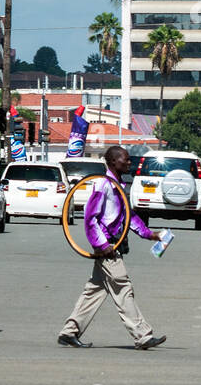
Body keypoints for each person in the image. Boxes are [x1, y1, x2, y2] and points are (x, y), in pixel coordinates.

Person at [57, 144, 166, 351]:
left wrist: (149, 234)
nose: (129, 162)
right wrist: (101, 244)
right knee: (123, 287)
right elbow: (90, 218)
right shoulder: (102, 185)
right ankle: (142, 335)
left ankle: (69, 332)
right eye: (125, 159)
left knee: (95, 291)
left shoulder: (119, 185)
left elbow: (128, 216)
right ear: (114, 162)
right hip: (108, 247)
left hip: (114, 244)